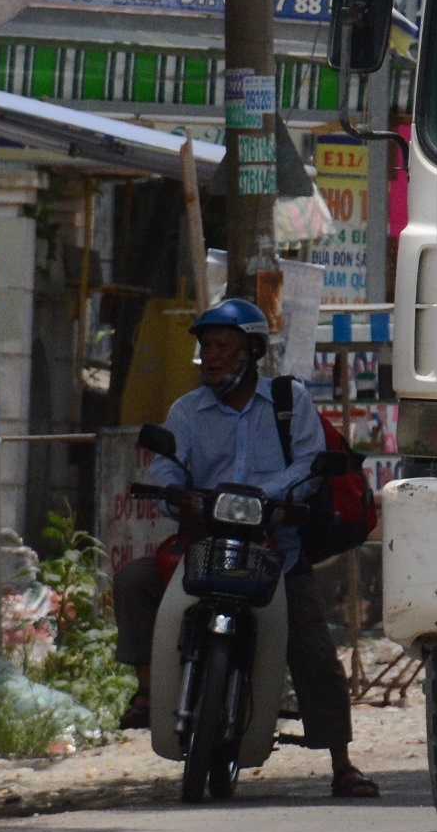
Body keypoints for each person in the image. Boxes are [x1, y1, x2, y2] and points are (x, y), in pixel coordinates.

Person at [112, 297, 378, 798]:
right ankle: (148, 691)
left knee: (313, 648)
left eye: (223, 347)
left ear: (250, 352)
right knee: (134, 581)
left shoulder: (288, 400)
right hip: (204, 541)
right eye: (206, 346)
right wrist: (174, 492)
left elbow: (310, 460)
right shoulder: (186, 411)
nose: (210, 356)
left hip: (276, 546)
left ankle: (341, 762)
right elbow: (167, 464)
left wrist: (270, 495)